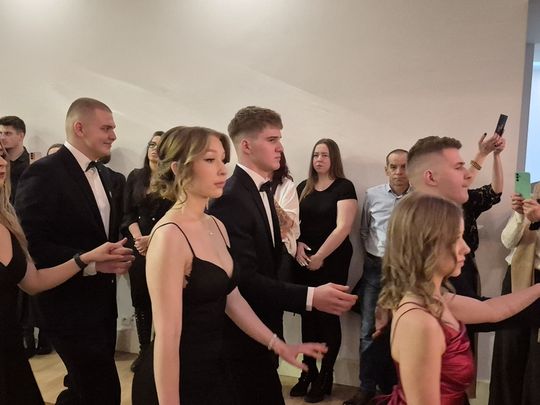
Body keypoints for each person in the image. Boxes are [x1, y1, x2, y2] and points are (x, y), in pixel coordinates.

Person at [131, 126, 327, 405]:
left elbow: (232, 300)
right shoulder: (169, 236)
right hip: (178, 378)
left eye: (223, 160)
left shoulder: (216, 225)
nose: (223, 170)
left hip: (216, 368)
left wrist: (277, 344)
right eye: (210, 160)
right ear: (178, 168)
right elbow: (167, 336)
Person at [208, 106, 357, 405]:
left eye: (280, 139)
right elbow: (245, 278)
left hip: (265, 321)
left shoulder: (261, 190)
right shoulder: (232, 196)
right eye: (272, 139)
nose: (280, 147)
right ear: (246, 145)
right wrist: (311, 296)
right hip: (245, 331)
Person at [15, 97, 132, 405]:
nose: (113, 135)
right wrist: (91, 263)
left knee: (86, 389)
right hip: (66, 303)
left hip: (102, 303)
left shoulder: (106, 176)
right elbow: (33, 243)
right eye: (106, 128)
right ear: (80, 128)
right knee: (100, 390)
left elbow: (106, 232)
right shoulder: (43, 173)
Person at [378, 192, 540, 405]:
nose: (466, 248)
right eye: (456, 239)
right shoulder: (420, 321)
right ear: (428, 245)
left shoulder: (436, 299)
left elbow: (493, 310)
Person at [291, 138, 357, 403]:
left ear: (334, 159)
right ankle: (308, 371)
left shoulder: (344, 187)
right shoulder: (302, 187)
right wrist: (297, 244)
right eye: (316, 155)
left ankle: (325, 375)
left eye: (324, 155)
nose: (319, 159)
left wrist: (320, 256)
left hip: (333, 259)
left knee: (327, 316)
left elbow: (343, 227)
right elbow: (292, 224)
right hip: (305, 260)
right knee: (308, 316)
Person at [344, 149, 409, 405]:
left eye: (404, 166)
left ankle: (396, 388)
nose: (399, 172)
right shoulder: (372, 195)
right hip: (375, 268)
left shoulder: (420, 198)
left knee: (402, 328)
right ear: (386, 169)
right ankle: (366, 387)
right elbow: (364, 231)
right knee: (368, 330)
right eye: (393, 166)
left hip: (406, 271)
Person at [122, 131, 172, 372]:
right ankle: (144, 351)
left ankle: (159, 351)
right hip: (139, 247)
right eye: (151, 144)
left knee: (163, 301)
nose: (154, 149)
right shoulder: (135, 176)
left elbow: (177, 215)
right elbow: (128, 213)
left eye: (159, 146)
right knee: (141, 300)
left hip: (165, 246)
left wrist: (153, 238)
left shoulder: (174, 178)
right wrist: (139, 239)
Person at [488, 186, 540, 405]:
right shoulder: (532, 196)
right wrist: (519, 216)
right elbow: (508, 242)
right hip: (517, 277)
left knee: (537, 355)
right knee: (510, 347)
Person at [272, 151, 300, 284]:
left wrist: (265, 193)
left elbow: (286, 225)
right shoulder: (246, 185)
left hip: (281, 248)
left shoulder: (287, 185)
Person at [0, 115, 29, 204]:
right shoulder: (1, 162)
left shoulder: (31, 163)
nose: (2, 137)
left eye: (8, 133)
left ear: (21, 136)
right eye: (0, 133)